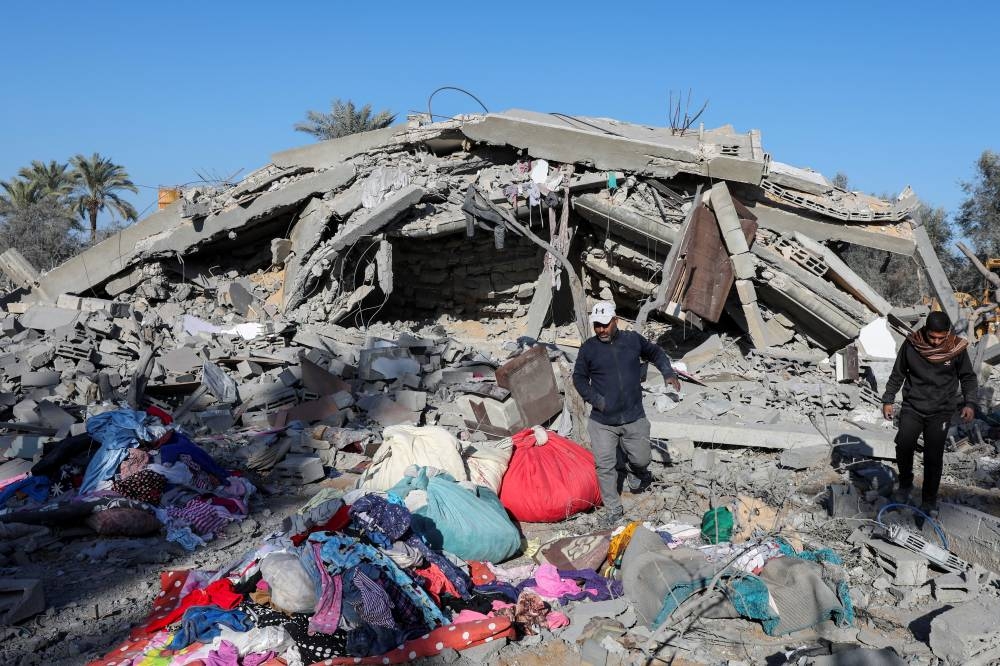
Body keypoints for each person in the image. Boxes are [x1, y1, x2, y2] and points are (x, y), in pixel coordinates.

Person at [573, 301, 680, 526]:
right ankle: (613, 508)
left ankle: (633, 469)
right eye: (597, 326)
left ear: (615, 321)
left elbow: (655, 352)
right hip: (602, 421)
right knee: (605, 465)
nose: (600, 330)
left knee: (642, 458)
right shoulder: (589, 348)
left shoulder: (632, 340)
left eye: (604, 325)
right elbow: (579, 378)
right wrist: (597, 400)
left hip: (634, 416)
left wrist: (667, 372)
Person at [881, 311, 977, 515]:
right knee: (903, 445)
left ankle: (929, 499)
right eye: (932, 337)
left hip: (941, 411)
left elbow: (968, 377)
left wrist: (970, 403)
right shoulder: (912, 344)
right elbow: (898, 373)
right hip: (913, 406)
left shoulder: (956, 349)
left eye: (940, 338)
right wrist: (888, 399)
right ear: (925, 331)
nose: (935, 342)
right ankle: (905, 483)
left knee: (934, 456)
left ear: (947, 334)